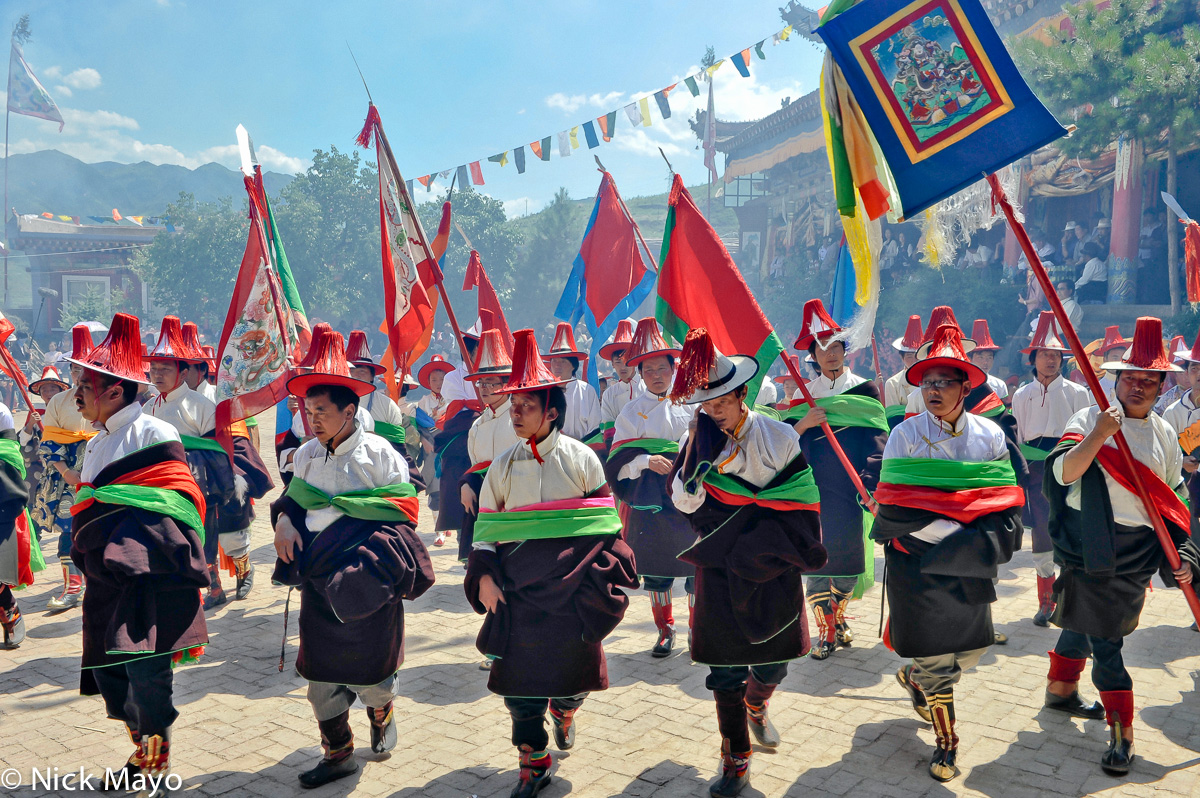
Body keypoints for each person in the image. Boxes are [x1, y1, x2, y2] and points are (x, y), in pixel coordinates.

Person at [463, 329, 637, 798]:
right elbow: (485, 534)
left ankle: (566, 709)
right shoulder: (500, 467)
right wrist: (482, 578)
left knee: (569, 685)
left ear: (552, 411)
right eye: (513, 405)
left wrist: (594, 587)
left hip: (572, 597)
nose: (515, 414)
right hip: (516, 595)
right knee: (519, 693)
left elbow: (607, 534)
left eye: (527, 406)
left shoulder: (583, 461)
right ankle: (534, 762)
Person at [271, 330, 434, 787]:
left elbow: (403, 515)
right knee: (320, 677)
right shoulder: (303, 456)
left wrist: (366, 561)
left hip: (370, 581)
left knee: (373, 675)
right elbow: (292, 501)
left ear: (350, 411)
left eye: (322, 411)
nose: (313, 419)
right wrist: (284, 520)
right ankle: (338, 752)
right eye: (308, 411)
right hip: (318, 580)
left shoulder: (382, 455)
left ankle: (381, 710)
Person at [669, 329, 826, 797]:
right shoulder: (697, 436)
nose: (714, 410)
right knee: (724, 672)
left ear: (742, 394)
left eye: (722, 401)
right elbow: (685, 503)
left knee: (774, 662)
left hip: (774, 561)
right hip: (719, 565)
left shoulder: (779, 435)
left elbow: (800, 501)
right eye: (706, 404)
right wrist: (696, 462)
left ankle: (759, 703)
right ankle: (735, 756)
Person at [1042, 316, 1199, 775]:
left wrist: (1183, 555)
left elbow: (1174, 498)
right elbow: (1061, 475)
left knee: (1089, 622)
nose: (1139, 387)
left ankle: (1061, 689)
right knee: (1107, 640)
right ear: (1115, 379)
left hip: (1136, 554)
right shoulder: (1088, 417)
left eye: (1149, 380)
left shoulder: (1166, 433)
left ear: (1160, 384)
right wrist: (1098, 436)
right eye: (1131, 378)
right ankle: (1121, 733)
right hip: (1087, 545)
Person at [872, 323, 1025, 782]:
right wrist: (949, 525)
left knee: (972, 651)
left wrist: (962, 529)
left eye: (944, 382)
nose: (933, 390)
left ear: (965, 385)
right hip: (916, 562)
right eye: (927, 382)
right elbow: (896, 504)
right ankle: (947, 742)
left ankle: (916, 679)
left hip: (969, 564)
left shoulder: (990, 436)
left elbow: (1002, 497)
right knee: (938, 662)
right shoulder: (903, 435)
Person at [67, 313, 209, 791]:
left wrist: (124, 535)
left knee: (146, 668)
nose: (77, 394)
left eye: (85, 384)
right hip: (104, 575)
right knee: (110, 672)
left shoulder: (154, 433)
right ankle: (145, 747)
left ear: (114, 391)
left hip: (148, 573)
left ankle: (153, 762)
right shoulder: (95, 443)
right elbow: (96, 500)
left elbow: (177, 500)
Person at [785, 299, 885, 660]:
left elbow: (877, 441)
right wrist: (803, 423)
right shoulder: (802, 393)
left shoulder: (864, 389)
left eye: (837, 346)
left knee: (845, 567)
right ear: (812, 354)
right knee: (816, 563)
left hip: (850, 490)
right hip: (812, 491)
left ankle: (838, 615)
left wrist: (869, 483)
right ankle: (825, 631)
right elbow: (786, 445)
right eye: (823, 347)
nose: (831, 353)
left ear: (846, 351)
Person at [604, 318, 694, 658]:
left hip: (691, 500)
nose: (657, 375)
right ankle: (665, 630)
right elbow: (618, 464)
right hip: (652, 502)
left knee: (697, 570)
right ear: (640, 374)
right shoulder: (631, 412)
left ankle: (696, 631)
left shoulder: (692, 404)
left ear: (673, 370)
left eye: (662, 368)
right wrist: (645, 461)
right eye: (649, 370)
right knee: (657, 573)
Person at [143, 316, 237, 610]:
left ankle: (213, 587)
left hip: (196, 485)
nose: (157, 374)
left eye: (165, 369)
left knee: (202, 535)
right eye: (154, 369)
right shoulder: (147, 407)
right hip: (158, 487)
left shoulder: (202, 406)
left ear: (183, 372)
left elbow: (217, 450)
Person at [1011, 312, 1095, 627]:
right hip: (1035, 470)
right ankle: (1046, 602)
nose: (1051, 360)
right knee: (1043, 534)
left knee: (1071, 529)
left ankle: (1072, 599)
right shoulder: (1021, 395)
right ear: (1033, 359)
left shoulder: (1077, 394)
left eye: (1056, 355)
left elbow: (1086, 435)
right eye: (1045, 354)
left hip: (1068, 467)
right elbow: (1017, 437)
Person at [27, 340, 94, 613]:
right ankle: (73, 587)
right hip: (66, 477)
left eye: (85, 369)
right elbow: (50, 441)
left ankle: (99, 582)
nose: (79, 375)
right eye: (75, 369)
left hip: (102, 474)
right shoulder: (58, 402)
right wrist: (66, 472)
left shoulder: (105, 397)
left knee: (101, 528)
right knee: (68, 530)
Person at [458, 329, 519, 565]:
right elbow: (475, 466)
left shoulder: (518, 418)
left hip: (515, 496)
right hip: (484, 499)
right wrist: (466, 484)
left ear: (505, 384)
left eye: (491, 383)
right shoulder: (477, 424)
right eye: (481, 382)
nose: (483, 388)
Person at [346, 330, 408, 454]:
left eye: (361, 372)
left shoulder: (388, 406)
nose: (355, 376)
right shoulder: (331, 404)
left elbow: (398, 447)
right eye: (350, 371)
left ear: (372, 377)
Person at [543, 322, 602, 447]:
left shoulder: (587, 391)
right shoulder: (543, 392)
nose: (557, 365)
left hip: (583, 451)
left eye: (563, 361)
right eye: (554, 361)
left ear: (573, 365)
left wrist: (577, 448)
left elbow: (595, 428)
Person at [598, 319, 645, 449]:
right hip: (620, 448)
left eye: (627, 361)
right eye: (618, 362)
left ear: (635, 361)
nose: (623, 367)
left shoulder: (647, 387)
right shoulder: (609, 394)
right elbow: (608, 425)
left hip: (647, 445)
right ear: (612, 364)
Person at [884, 315, 923, 427]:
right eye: (910, 356)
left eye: (918, 356)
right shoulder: (893, 383)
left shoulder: (933, 381)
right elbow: (893, 417)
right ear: (902, 357)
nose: (915, 360)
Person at [968, 319, 1009, 403]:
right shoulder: (963, 384)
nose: (985, 362)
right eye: (980, 357)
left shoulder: (999, 385)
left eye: (989, 358)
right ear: (970, 359)